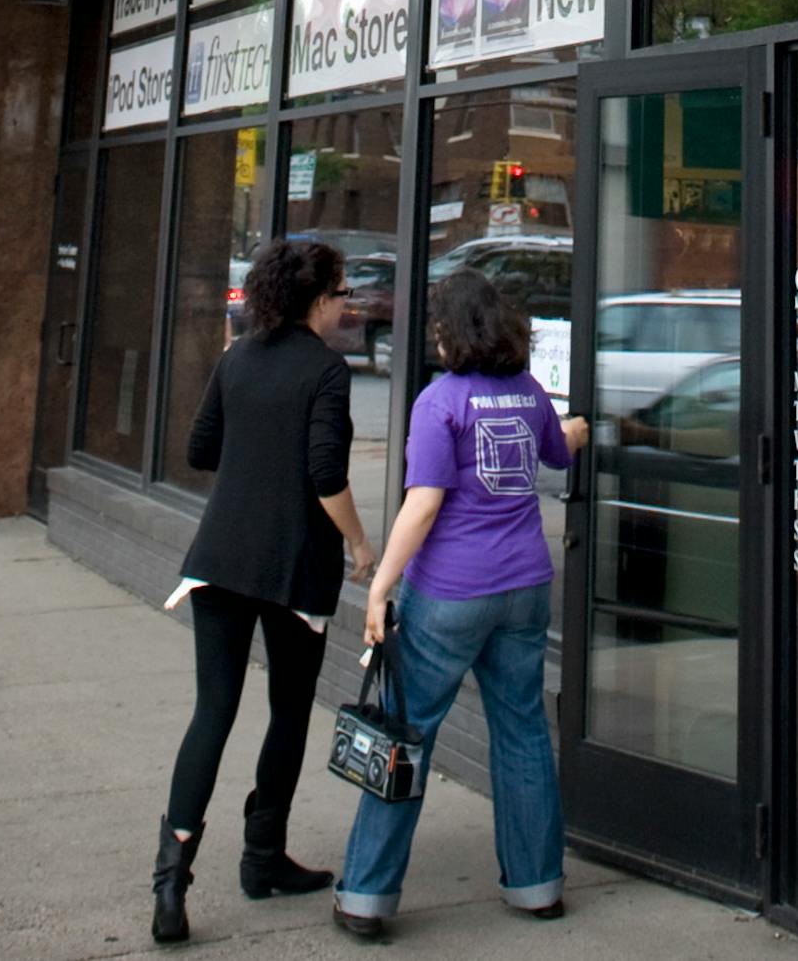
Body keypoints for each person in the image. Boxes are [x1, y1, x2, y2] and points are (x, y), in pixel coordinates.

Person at [334, 268, 588, 941]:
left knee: (404, 734)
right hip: (525, 589)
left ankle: (365, 895)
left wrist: (382, 585)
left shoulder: (439, 401)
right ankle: (537, 885)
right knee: (524, 730)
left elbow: (423, 503)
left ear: (450, 332)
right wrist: (584, 427)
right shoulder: (528, 392)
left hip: (449, 592)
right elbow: (560, 451)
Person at [151, 235, 375, 945]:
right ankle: (261, 857)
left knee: (211, 711)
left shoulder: (235, 358)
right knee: (287, 709)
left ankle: (171, 883)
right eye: (342, 293)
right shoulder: (328, 371)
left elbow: (199, 450)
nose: (349, 304)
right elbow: (325, 474)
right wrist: (361, 542)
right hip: (293, 567)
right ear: (317, 299)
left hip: (218, 558)